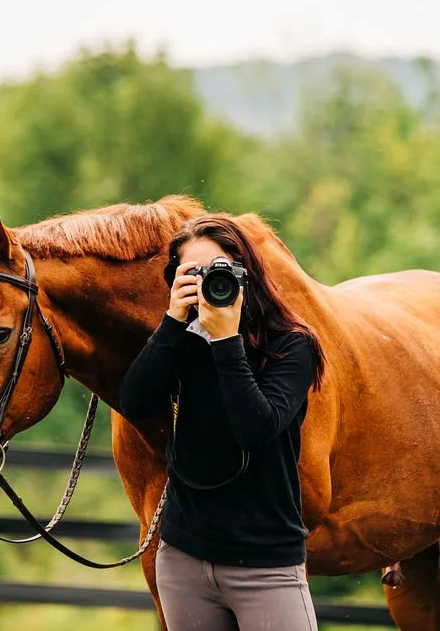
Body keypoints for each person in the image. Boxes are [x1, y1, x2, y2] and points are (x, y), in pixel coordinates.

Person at [119, 214, 326, 631]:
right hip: (183, 560)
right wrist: (172, 322)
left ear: (245, 273)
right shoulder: (181, 339)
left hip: (266, 565)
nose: (209, 282)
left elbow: (257, 428)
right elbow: (135, 401)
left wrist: (226, 341)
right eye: (191, 273)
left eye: (218, 270)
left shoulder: (292, 346)